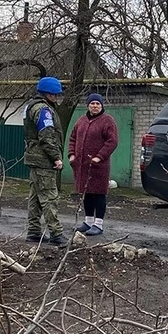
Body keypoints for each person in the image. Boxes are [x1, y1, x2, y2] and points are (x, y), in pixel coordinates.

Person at [23, 76, 68, 247]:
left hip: (34, 157)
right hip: (43, 160)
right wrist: (56, 157)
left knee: (35, 197)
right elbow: (47, 136)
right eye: (55, 94)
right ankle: (56, 233)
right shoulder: (44, 110)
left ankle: (34, 232)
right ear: (48, 93)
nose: (57, 97)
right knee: (50, 197)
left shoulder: (31, 106)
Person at [68, 93, 119, 236]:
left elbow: (112, 142)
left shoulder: (107, 121)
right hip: (82, 165)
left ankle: (98, 224)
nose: (95, 106)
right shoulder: (81, 121)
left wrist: (99, 157)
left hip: (99, 166)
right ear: (88, 105)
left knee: (99, 194)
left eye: (97, 104)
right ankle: (88, 222)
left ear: (101, 105)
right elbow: (72, 138)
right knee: (87, 193)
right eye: (92, 104)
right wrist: (72, 155)